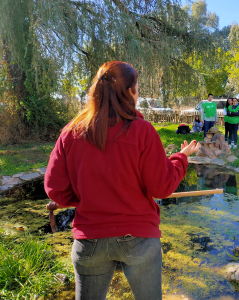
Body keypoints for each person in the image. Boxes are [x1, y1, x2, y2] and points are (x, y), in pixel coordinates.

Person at [44, 61, 200, 300]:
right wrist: (181, 159)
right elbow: (162, 186)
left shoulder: (70, 133)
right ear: (129, 92)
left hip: (90, 239)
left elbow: (55, 189)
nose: (137, 94)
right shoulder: (142, 131)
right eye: (137, 88)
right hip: (139, 238)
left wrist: (86, 198)